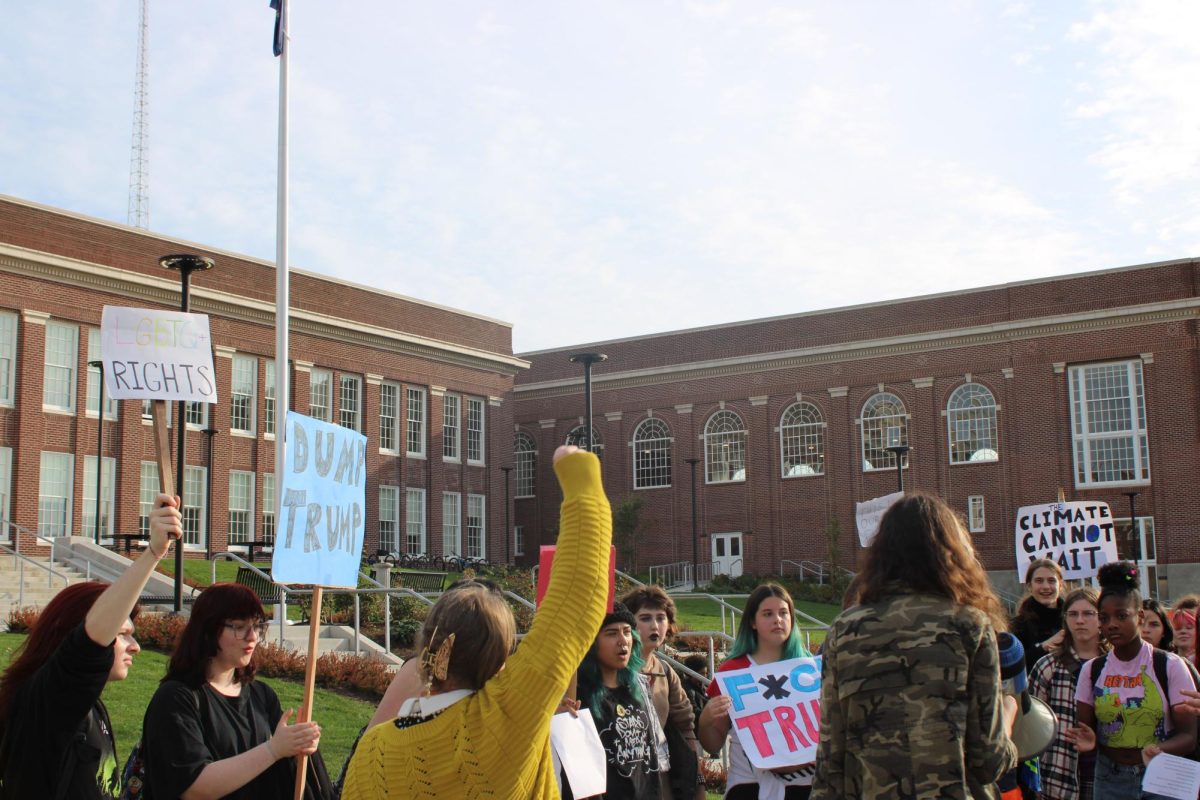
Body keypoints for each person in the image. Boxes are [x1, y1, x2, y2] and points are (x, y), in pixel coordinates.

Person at [341, 445, 612, 799]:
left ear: (428, 644)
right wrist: (580, 478)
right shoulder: (504, 720)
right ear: (500, 661)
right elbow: (577, 599)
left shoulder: (370, 751)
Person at [811, 493, 1019, 800]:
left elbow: (831, 754)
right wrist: (1009, 720)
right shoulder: (970, 626)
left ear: (882, 552)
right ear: (951, 552)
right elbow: (987, 759)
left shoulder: (845, 630)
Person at [0, 493, 181, 800]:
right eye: (122, 634)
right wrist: (152, 553)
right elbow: (89, 642)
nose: (135, 646)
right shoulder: (49, 700)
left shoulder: (91, 708)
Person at [140, 583, 325, 799]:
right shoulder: (176, 699)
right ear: (208, 630)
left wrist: (298, 748)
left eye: (256, 625)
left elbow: (278, 774)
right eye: (239, 626)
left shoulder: (262, 696)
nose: (252, 636)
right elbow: (193, 787)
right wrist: (273, 750)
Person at [1064, 561, 1198, 800]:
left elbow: (1189, 736)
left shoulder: (1169, 665)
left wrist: (1159, 749)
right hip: (1109, 779)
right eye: (1104, 618)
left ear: (1139, 616)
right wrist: (1090, 741)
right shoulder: (1092, 670)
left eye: (1121, 615)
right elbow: (1088, 732)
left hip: (1162, 776)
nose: (1111, 624)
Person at [700, 583, 815, 800]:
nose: (777, 620)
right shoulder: (732, 671)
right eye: (768, 614)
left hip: (807, 786)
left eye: (783, 613)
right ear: (752, 621)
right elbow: (713, 743)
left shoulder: (809, 670)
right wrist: (706, 720)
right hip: (749, 788)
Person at [569, 602, 663, 800]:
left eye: (627, 632)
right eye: (611, 633)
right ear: (591, 643)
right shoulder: (577, 696)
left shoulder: (638, 687)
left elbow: (654, 755)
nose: (623, 641)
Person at [620, 585, 701, 800]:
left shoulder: (666, 671)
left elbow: (686, 727)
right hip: (620, 780)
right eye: (645, 618)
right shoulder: (611, 668)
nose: (654, 625)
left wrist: (698, 782)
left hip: (660, 781)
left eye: (661, 618)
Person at [1029, 587, 1107, 800]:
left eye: (1088, 613)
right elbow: (1030, 728)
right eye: (1073, 614)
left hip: (1107, 772)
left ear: (1101, 618)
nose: (1080, 620)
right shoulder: (1047, 666)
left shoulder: (1116, 665)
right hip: (1058, 773)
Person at [1010, 558, 1065, 676]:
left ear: (1060, 585)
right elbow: (1013, 666)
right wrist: (1044, 647)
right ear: (1029, 586)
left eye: (1051, 580)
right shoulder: (1018, 626)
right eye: (1039, 581)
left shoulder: (1074, 619)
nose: (1046, 586)